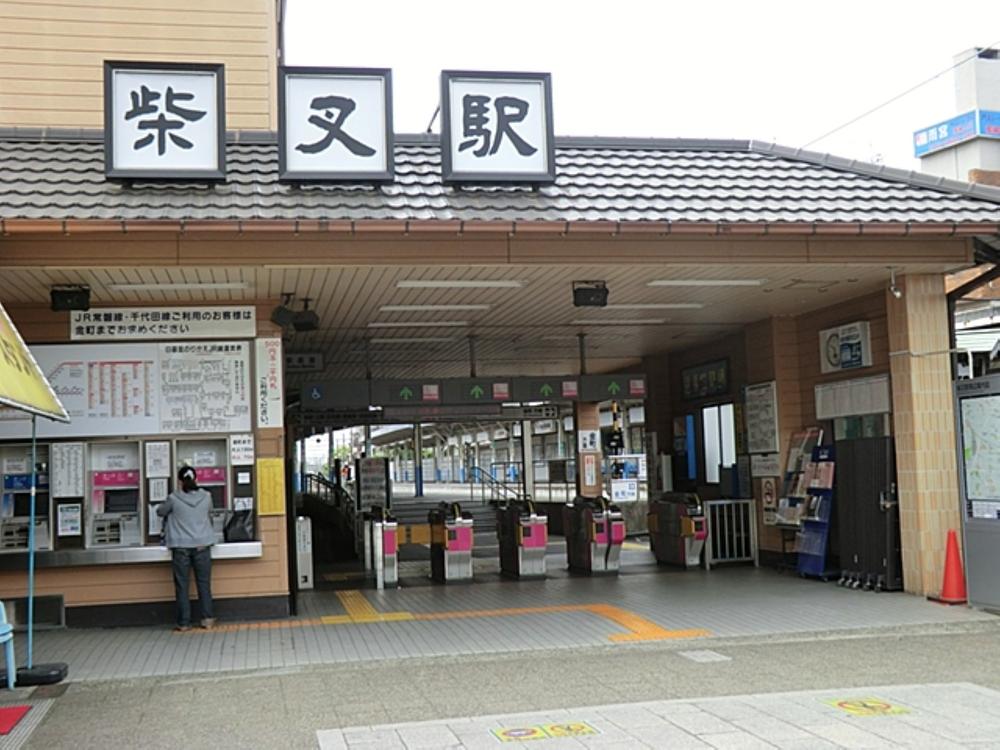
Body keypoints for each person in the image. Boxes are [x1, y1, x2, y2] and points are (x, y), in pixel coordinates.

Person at [157, 466, 216, 632]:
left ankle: (184, 623)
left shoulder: (173, 498)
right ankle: (207, 619)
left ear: (180, 481)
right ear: (196, 479)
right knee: (204, 584)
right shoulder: (207, 496)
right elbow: (210, 514)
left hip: (180, 546)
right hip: (202, 545)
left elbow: (160, 512)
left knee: (182, 585)